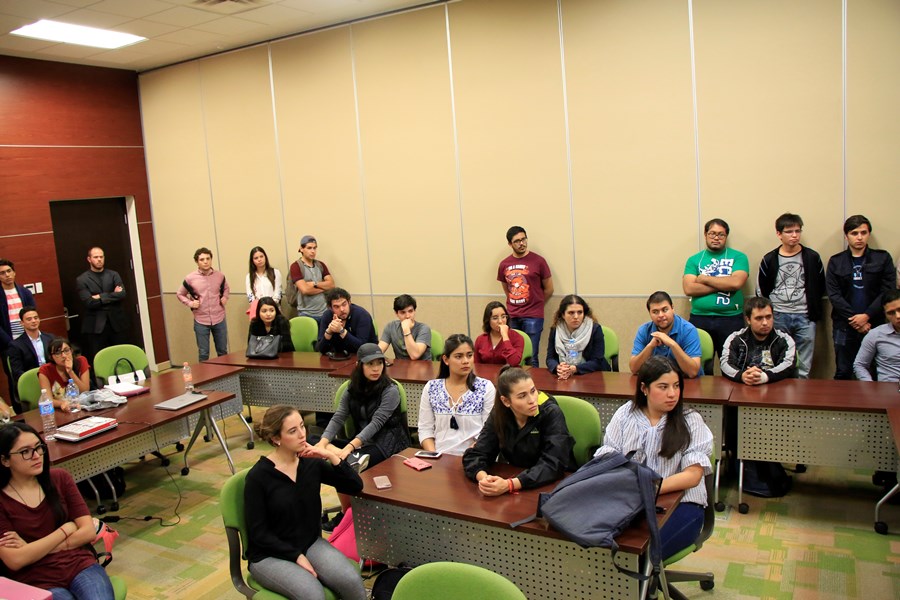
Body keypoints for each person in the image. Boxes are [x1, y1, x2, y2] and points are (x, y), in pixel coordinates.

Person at [594, 356, 713, 560]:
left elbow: (692, 476)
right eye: (663, 387)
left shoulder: (690, 420)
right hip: (631, 501)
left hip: (683, 504)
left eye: (676, 386)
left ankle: (644, 590)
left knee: (642, 555)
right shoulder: (625, 414)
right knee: (603, 543)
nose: (672, 394)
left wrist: (648, 488)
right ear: (644, 388)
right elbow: (608, 456)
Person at [244, 406, 366, 600]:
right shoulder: (258, 478)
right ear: (276, 439)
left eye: (302, 426)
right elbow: (259, 534)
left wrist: (331, 456)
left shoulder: (310, 463)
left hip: (309, 543)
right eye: (293, 431)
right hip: (269, 554)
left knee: (352, 581)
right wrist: (296, 556)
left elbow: (355, 486)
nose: (302, 435)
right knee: (313, 595)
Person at [0, 421, 116, 599]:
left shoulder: (60, 478)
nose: (36, 456)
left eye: (39, 448)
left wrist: (31, 549)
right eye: (25, 452)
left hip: (79, 564)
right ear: (4, 460)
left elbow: (88, 532)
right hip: (34, 578)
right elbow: (16, 560)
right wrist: (66, 530)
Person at [463, 366, 575, 495]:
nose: (532, 400)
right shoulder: (499, 414)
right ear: (506, 401)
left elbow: (553, 464)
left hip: (555, 485)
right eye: (522, 396)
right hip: (518, 479)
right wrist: (485, 480)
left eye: (533, 391)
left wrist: (509, 484)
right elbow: (477, 453)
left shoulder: (550, 412)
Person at [316, 344, 410, 467]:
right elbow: (339, 417)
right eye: (370, 364)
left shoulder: (390, 390)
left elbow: (376, 423)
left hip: (386, 445)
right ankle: (344, 457)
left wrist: (350, 447)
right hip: (360, 443)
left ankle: (342, 457)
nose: (376, 368)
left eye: (379, 363)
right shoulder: (352, 387)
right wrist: (322, 444)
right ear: (359, 365)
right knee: (313, 440)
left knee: (355, 460)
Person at [826, 215, 896, 380]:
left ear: (869, 234)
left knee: (874, 370)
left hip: (875, 324)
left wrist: (866, 316)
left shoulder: (882, 258)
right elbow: (834, 294)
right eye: (854, 233)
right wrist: (855, 319)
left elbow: (887, 291)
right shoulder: (836, 261)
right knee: (843, 370)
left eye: (863, 233)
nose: (859, 237)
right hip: (844, 324)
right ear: (846, 236)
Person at [757, 213, 826, 379]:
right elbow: (761, 289)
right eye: (789, 231)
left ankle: (800, 394)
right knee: (777, 356)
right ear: (779, 234)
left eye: (797, 231)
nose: (794, 235)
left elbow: (820, 285)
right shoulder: (769, 259)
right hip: (779, 314)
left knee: (803, 362)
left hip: (805, 315)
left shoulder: (812, 257)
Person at [682, 218, 750, 362]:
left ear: (726, 237)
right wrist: (724, 282)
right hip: (700, 318)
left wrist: (705, 278)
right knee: (697, 364)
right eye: (712, 233)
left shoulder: (739, 257)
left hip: (731, 319)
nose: (716, 238)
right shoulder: (694, 260)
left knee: (733, 362)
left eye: (721, 234)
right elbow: (689, 288)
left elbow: (736, 283)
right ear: (705, 234)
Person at [418, 334, 495, 455]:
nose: (465, 361)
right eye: (459, 356)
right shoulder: (431, 388)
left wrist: (468, 457)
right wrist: (434, 456)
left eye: (469, 355)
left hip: (475, 457)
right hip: (439, 458)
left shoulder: (485, 387)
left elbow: (489, 433)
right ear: (446, 360)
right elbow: (425, 430)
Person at [497, 226, 553, 367]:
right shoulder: (504, 264)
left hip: (533, 316)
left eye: (523, 239)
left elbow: (549, 289)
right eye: (517, 241)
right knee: (513, 356)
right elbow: (507, 288)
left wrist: (537, 302)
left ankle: (533, 387)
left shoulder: (539, 261)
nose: (522, 243)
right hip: (512, 315)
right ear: (510, 244)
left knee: (531, 356)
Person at [720, 297, 797, 385]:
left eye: (768, 317)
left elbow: (788, 364)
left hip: (775, 388)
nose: (765, 323)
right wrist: (742, 376)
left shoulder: (785, 340)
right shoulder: (735, 339)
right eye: (759, 318)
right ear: (748, 320)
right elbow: (725, 364)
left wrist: (764, 376)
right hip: (743, 388)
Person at [75, 247, 129, 366]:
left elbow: (121, 294)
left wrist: (99, 296)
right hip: (96, 326)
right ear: (89, 259)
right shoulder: (82, 279)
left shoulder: (113, 275)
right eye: (96, 257)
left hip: (117, 323)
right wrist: (112, 295)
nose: (99, 260)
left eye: (101, 257)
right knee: (100, 359)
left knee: (121, 355)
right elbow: (89, 302)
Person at [630, 291, 703, 378]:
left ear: (672, 308)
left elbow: (692, 372)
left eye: (665, 310)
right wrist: (650, 346)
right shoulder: (644, 330)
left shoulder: (689, 330)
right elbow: (634, 369)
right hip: (656, 381)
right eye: (655, 312)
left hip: (686, 381)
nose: (661, 315)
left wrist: (672, 344)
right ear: (649, 313)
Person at [176, 247, 230, 362]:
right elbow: (180, 294)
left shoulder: (220, 276)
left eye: (208, 258)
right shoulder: (190, 278)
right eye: (202, 259)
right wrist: (190, 303)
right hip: (201, 320)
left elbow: (226, 288)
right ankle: (205, 378)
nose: (205, 261)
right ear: (197, 262)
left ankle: (227, 378)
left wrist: (225, 297)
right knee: (203, 353)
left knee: (223, 351)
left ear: (211, 260)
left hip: (219, 318)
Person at [545, 294, 609, 379]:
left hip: (592, 375)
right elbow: (550, 358)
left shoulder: (595, 329)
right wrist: (558, 368)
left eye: (580, 312)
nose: (576, 317)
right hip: (564, 375)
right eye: (571, 313)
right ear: (563, 315)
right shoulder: (555, 329)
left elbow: (597, 361)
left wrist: (575, 369)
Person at [0, 259, 35, 405]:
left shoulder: (24, 292)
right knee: (15, 378)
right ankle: (20, 409)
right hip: (8, 343)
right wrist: (10, 342)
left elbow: (32, 312)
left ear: (14, 273)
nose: (7, 275)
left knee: (33, 372)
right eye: (2, 273)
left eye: (9, 271)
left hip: (28, 340)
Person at [7, 307, 54, 406]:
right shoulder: (15, 345)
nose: (34, 321)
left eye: (36, 318)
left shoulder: (50, 338)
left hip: (53, 380)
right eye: (29, 319)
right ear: (22, 323)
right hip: (33, 383)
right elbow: (17, 372)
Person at [853, 289, 900, 382]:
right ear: (885, 315)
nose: (898, 316)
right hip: (888, 389)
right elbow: (859, 365)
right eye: (891, 313)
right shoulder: (875, 335)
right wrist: (870, 386)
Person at [315, 288, 376, 357]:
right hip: (339, 358)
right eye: (336, 307)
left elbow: (361, 347)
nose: (342, 309)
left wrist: (341, 331)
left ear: (349, 302)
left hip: (366, 358)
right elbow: (320, 349)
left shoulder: (362, 315)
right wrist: (329, 332)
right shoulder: (327, 316)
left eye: (344, 304)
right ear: (330, 308)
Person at [38, 338, 90, 411]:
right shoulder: (45, 370)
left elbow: (85, 391)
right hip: (59, 411)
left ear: (71, 351)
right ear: (51, 357)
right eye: (58, 353)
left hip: (82, 407)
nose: (64, 355)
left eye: (66, 350)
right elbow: (48, 400)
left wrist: (70, 372)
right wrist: (63, 404)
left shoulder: (81, 361)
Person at [290, 235, 335, 319]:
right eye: (309, 248)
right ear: (301, 249)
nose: (313, 251)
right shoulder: (296, 266)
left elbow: (331, 285)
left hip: (324, 311)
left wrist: (314, 284)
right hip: (306, 313)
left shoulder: (320, 265)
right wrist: (324, 287)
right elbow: (305, 290)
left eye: (315, 248)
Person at [378, 294, 432, 360]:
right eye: (403, 312)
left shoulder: (424, 329)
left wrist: (406, 330)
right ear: (396, 313)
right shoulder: (390, 327)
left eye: (410, 311)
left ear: (415, 311)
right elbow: (378, 352)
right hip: (401, 367)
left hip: (422, 368)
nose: (407, 316)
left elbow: (415, 355)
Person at [473, 301, 525, 366]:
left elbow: (514, 362)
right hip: (486, 375)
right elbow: (477, 365)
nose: (500, 321)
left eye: (503, 317)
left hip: (507, 375)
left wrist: (505, 336)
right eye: (495, 318)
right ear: (488, 320)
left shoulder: (517, 337)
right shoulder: (480, 339)